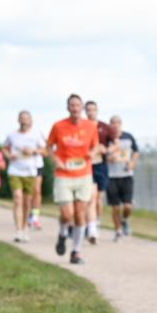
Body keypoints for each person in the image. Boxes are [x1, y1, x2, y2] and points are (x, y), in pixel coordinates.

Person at [46, 94, 99, 265]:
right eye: (72, 105)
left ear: (82, 108)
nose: (75, 108)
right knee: (67, 214)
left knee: (79, 214)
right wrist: (56, 160)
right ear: (68, 108)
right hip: (64, 175)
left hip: (84, 174)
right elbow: (48, 147)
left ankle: (76, 252)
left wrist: (92, 153)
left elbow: (96, 145)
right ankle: (62, 233)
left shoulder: (90, 126)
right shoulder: (58, 126)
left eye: (78, 105)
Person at [4, 111, 46, 243]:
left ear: (30, 120)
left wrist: (33, 151)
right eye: (22, 118)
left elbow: (45, 151)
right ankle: (18, 231)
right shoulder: (12, 135)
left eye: (27, 118)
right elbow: (4, 148)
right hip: (15, 170)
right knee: (17, 198)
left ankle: (25, 227)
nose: (24, 121)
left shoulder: (36, 135)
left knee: (27, 202)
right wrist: (8, 155)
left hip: (30, 171)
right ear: (18, 120)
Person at [105, 115, 139, 241]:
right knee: (115, 207)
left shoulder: (128, 137)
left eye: (117, 122)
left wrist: (132, 163)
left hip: (126, 175)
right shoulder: (106, 139)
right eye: (112, 123)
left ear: (121, 124)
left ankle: (124, 220)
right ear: (109, 125)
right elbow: (101, 155)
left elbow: (136, 152)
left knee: (127, 206)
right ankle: (118, 230)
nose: (115, 125)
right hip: (111, 176)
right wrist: (108, 158)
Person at [84, 100, 112, 244]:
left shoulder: (104, 127)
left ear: (97, 110)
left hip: (101, 165)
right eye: (88, 109)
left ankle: (95, 221)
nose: (90, 112)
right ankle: (91, 227)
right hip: (86, 166)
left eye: (93, 109)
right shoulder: (81, 127)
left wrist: (106, 150)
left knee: (98, 198)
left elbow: (115, 144)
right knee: (91, 197)